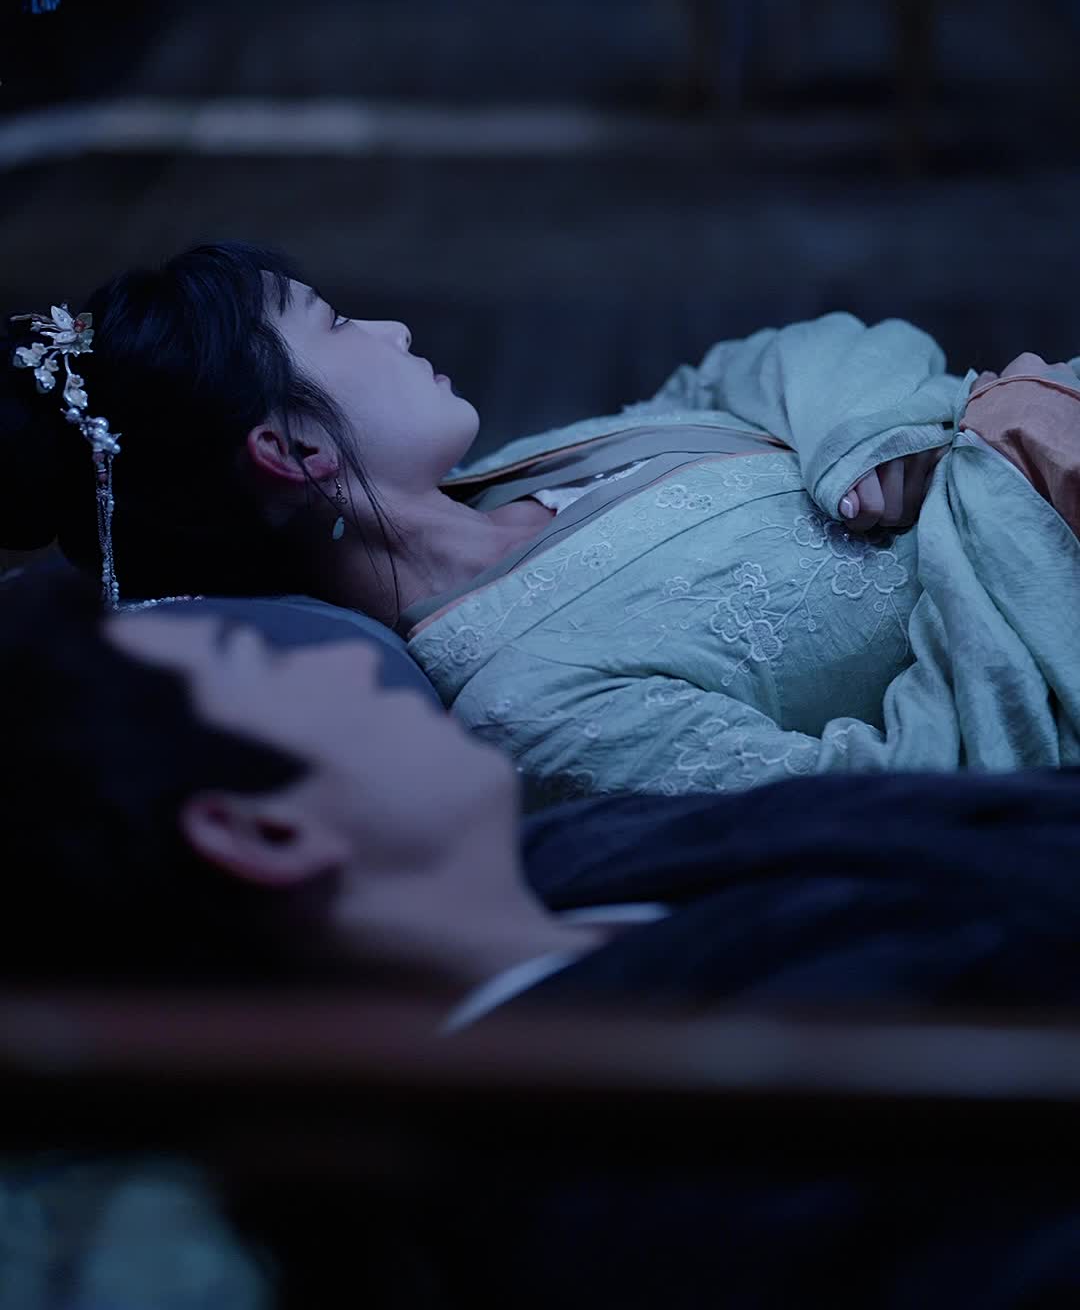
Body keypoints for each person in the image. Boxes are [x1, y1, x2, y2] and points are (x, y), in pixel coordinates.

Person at [12, 568, 1080, 1310]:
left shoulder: (579, 853)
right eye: (257, 654)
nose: (339, 656)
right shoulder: (638, 1183)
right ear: (264, 831)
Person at [3, 240, 1080, 810]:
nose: (392, 326)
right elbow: (912, 796)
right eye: (335, 324)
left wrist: (872, 435)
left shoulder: (524, 474)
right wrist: (1000, 478)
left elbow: (778, 356)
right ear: (294, 453)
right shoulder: (532, 703)